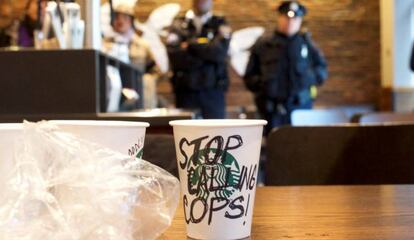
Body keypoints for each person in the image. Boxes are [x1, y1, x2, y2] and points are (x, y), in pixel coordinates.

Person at [244, 0, 327, 134]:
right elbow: (249, 76)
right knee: (274, 151)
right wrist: (263, 86)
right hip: (271, 113)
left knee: (301, 149)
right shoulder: (263, 44)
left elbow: (322, 71)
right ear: (279, 17)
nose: (290, 22)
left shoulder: (306, 44)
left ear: (300, 20)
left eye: (295, 18)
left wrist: (307, 78)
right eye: (286, 17)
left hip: (301, 110)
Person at [166, 0, 231, 119]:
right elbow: (176, 57)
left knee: (216, 133)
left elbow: (219, 53)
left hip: (213, 93)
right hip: (186, 93)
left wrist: (190, 45)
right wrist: (207, 53)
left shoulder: (220, 23)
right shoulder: (178, 23)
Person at [102, 0, 159, 108]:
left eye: (125, 18)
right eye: (116, 17)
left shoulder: (142, 45)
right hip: (113, 94)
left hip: (138, 96)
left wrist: (147, 83)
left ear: (131, 21)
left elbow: (155, 70)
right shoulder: (104, 45)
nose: (120, 21)